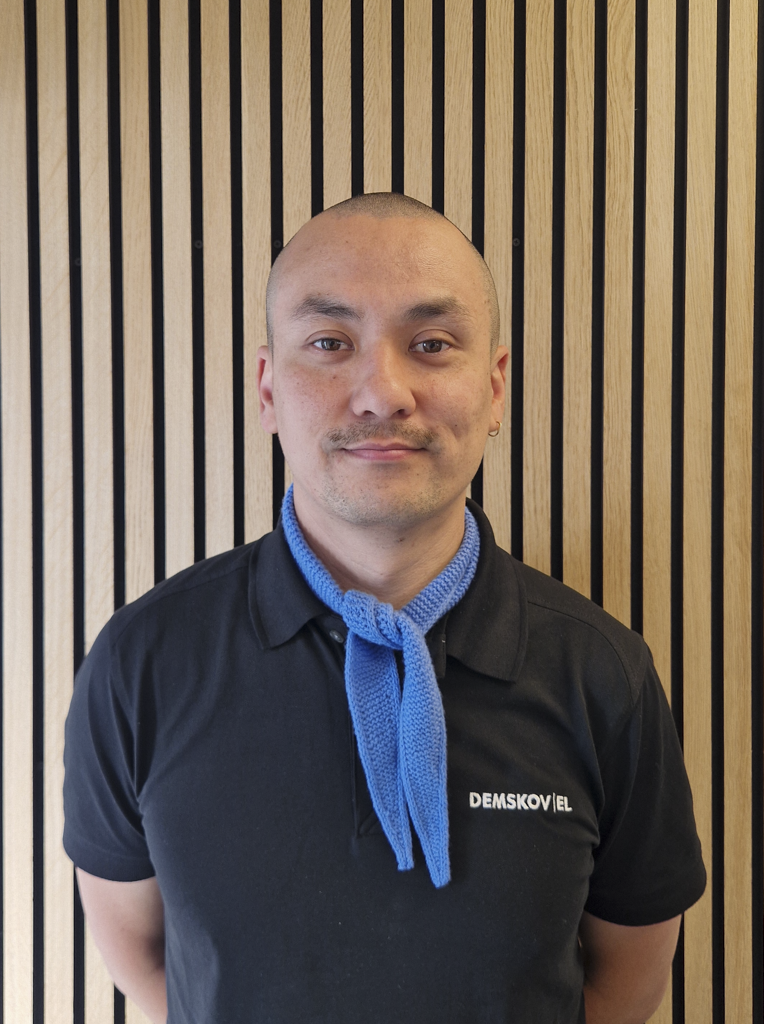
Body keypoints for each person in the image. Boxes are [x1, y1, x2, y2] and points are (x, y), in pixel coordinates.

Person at [64, 192, 706, 1024]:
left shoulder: (603, 674)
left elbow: (628, 982)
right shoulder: (142, 663)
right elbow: (141, 956)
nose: (381, 393)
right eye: (330, 343)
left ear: (495, 387)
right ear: (268, 387)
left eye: (431, 344)